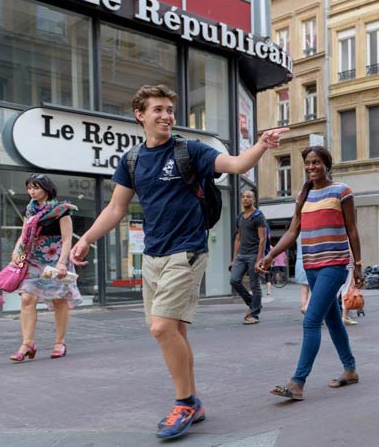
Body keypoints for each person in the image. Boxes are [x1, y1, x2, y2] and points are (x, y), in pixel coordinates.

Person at [70, 84, 288, 440]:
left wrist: (262, 144)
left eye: (170, 109)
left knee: (161, 328)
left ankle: (184, 401)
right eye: (158, 109)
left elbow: (234, 164)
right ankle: (194, 401)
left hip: (187, 251)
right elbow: (116, 208)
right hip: (153, 255)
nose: (166, 115)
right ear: (140, 114)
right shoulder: (132, 161)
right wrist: (86, 238)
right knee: (175, 331)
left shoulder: (191, 151)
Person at [257, 145, 363, 401]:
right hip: (312, 266)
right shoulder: (302, 196)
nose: (312, 167)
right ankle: (350, 369)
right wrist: (270, 255)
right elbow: (293, 232)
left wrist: (358, 264)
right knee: (333, 320)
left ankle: (297, 382)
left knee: (311, 320)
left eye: (316, 162)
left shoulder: (342, 191)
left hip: (334, 265)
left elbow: (352, 229)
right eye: (308, 163)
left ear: (327, 164)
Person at [9, 174, 82, 362]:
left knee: (59, 299)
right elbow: (25, 233)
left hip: (55, 256)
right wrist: (17, 251)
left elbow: (67, 239)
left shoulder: (61, 210)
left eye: (36, 188)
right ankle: (27, 344)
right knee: (27, 298)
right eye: (29, 188)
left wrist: (62, 262)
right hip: (33, 257)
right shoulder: (30, 210)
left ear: (46, 189)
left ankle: (59, 342)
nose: (31, 191)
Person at [229, 190, 267, 325]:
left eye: (248, 197)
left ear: (254, 200)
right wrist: (234, 259)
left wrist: (259, 259)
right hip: (241, 255)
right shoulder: (239, 217)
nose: (245, 199)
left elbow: (262, 239)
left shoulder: (258, 216)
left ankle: (254, 314)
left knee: (254, 284)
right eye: (243, 197)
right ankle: (253, 304)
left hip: (253, 255)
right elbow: (238, 238)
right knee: (234, 280)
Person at [294, 234, 311, 314]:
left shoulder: (298, 234)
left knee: (304, 289)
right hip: (311, 260)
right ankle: (306, 307)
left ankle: (305, 310)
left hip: (300, 261)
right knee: (314, 289)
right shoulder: (311, 231)